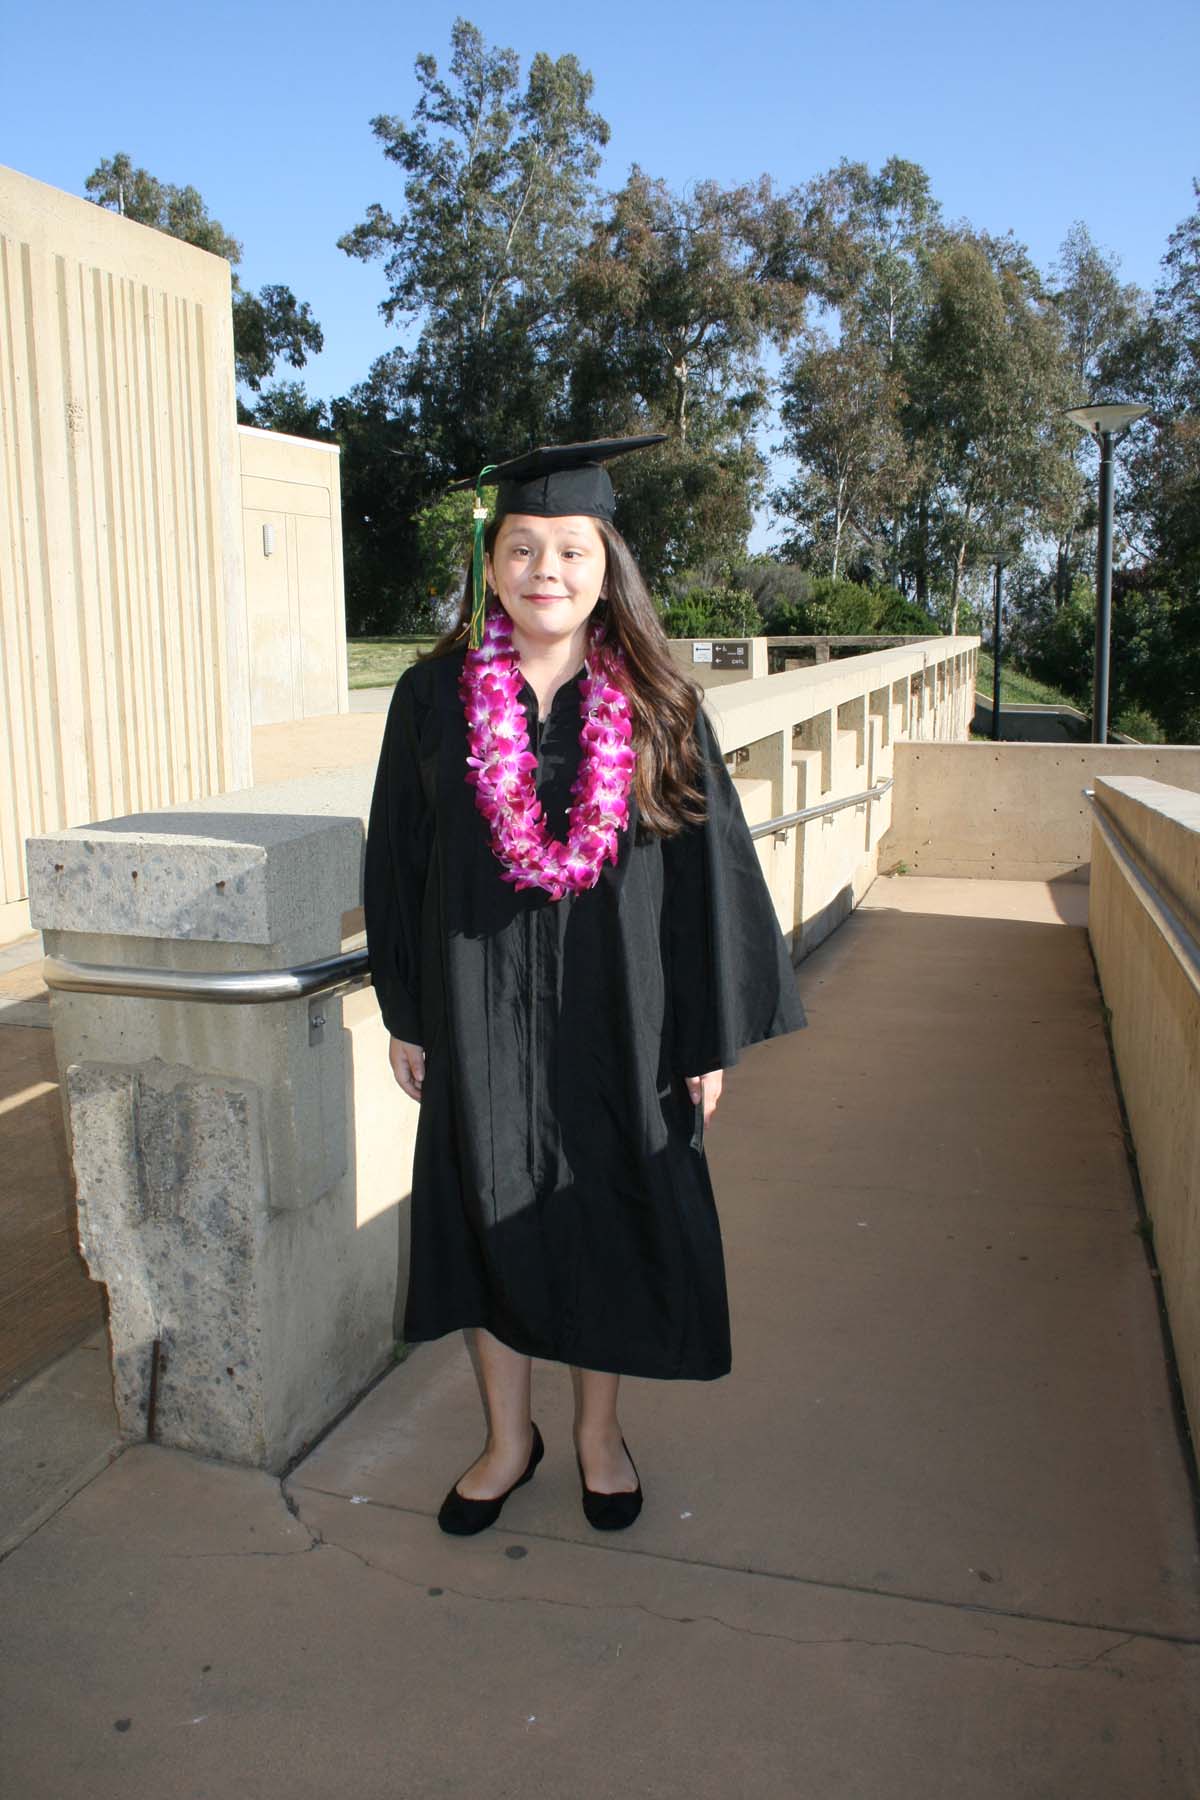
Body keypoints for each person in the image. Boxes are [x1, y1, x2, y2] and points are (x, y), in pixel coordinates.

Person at [363, 436, 807, 1538]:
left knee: (609, 1215)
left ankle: (600, 1437)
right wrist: (409, 1015)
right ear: (492, 565)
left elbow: (711, 877)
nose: (544, 570)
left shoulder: (657, 703)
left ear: (607, 565)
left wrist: (702, 1038)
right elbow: (399, 861)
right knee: (487, 1217)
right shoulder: (431, 700)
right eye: (521, 548)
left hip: (626, 1014)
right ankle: (509, 1440)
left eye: (569, 549)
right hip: (477, 1009)